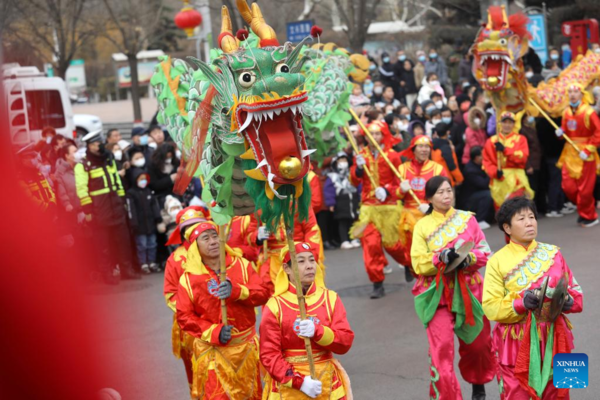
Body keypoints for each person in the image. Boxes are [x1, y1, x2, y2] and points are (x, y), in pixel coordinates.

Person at [482, 197, 583, 399]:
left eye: (532, 217)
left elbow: (575, 291)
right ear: (507, 228)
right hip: (516, 341)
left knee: (561, 394)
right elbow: (490, 307)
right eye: (521, 219)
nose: (530, 222)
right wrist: (520, 304)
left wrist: (570, 302)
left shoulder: (554, 253)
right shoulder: (496, 261)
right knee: (517, 394)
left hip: (557, 335)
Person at [411, 176, 496, 400]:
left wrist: (469, 259)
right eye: (440, 192)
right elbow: (418, 262)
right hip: (437, 294)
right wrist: (440, 258)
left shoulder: (468, 220)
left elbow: (484, 250)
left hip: (470, 290)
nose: (447, 195)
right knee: (441, 352)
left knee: (478, 345)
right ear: (429, 198)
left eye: (449, 191)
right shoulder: (421, 226)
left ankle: (479, 385)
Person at [176, 221, 269, 399]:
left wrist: (237, 291)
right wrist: (213, 332)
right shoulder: (189, 279)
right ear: (196, 245)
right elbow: (184, 317)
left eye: (215, 236)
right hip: (213, 352)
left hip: (245, 350)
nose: (212, 241)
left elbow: (263, 293)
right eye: (206, 238)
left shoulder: (242, 265)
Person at [260, 242, 354, 399]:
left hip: (327, 382)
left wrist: (319, 331)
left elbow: (345, 342)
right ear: (287, 269)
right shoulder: (275, 306)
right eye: (301, 261)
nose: (309, 266)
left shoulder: (330, 298)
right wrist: (299, 382)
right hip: (289, 387)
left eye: (311, 260)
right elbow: (269, 355)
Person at [74, 130, 140, 284]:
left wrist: (122, 199)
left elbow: (116, 181)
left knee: (123, 242)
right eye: (97, 144)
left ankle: (126, 270)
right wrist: (88, 211)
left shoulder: (108, 159)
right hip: (99, 210)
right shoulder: (83, 165)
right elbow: (81, 189)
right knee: (103, 245)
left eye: (100, 143)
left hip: (116, 207)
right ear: (89, 146)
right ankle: (107, 273)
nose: (100, 146)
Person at [349, 121, 406, 298]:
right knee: (371, 244)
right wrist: (357, 169)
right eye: (370, 134)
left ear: (383, 135)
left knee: (393, 245)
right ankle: (377, 282)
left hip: (388, 206)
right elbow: (354, 181)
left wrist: (387, 189)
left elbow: (400, 180)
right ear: (365, 136)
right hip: (368, 207)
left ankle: (408, 264)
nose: (374, 137)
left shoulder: (392, 155)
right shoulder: (361, 155)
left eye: (377, 134)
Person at [163, 206, 210, 392]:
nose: (194, 232)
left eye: (199, 226)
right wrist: (192, 312)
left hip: (218, 321)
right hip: (190, 326)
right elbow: (170, 294)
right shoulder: (175, 260)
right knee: (195, 372)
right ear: (182, 233)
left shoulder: (218, 253)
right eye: (189, 229)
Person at [396, 135, 447, 278]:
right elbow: (395, 196)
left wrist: (431, 207)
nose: (424, 150)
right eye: (420, 146)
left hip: (431, 215)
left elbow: (445, 194)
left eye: (427, 147)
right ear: (413, 149)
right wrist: (401, 190)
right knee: (411, 251)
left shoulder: (437, 169)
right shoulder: (402, 169)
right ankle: (414, 273)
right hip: (409, 216)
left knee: (432, 249)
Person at [248, 208, 323, 295]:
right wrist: (258, 236)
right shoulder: (260, 205)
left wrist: (309, 257)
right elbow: (249, 236)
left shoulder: (298, 200)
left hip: (298, 257)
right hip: (272, 263)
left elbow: (311, 230)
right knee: (274, 298)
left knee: (304, 294)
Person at [556, 83, 600, 227]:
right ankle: (584, 210)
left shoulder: (588, 112)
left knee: (585, 189)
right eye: (570, 92)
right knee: (568, 187)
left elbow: (598, 133)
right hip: (570, 153)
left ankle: (589, 215)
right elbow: (566, 131)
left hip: (585, 154)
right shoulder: (566, 112)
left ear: (582, 94)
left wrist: (588, 150)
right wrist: (561, 133)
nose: (573, 95)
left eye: (575, 92)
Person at [482, 112, 534, 210]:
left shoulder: (520, 139)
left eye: (510, 122)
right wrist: (495, 172)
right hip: (499, 179)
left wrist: (505, 150)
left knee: (518, 208)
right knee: (501, 210)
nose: (507, 125)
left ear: (514, 124)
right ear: (499, 123)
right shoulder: (492, 141)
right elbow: (486, 161)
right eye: (504, 122)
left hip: (517, 178)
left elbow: (522, 158)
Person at [126, 169, 162, 273]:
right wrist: (133, 223)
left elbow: (154, 205)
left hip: (150, 223)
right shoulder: (131, 193)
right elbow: (131, 210)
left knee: (152, 244)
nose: (143, 181)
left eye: (145, 179)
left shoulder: (148, 191)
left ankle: (151, 262)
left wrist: (157, 217)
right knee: (142, 245)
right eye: (141, 179)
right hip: (139, 225)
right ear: (135, 179)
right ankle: (143, 263)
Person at [324, 152, 360, 250]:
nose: (343, 162)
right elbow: (329, 190)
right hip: (341, 201)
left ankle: (353, 238)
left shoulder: (351, 174)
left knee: (353, 221)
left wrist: (361, 196)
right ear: (335, 162)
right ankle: (344, 240)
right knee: (343, 222)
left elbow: (359, 185)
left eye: (344, 160)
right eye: (340, 160)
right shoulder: (332, 176)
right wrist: (331, 203)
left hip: (353, 200)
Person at [461, 146, 493, 229]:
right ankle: (479, 220)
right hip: (469, 199)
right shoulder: (470, 170)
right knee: (488, 194)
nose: (484, 157)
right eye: (482, 155)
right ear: (476, 158)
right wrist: (489, 172)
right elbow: (483, 184)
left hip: (477, 194)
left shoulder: (479, 165)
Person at [55, 142, 81, 227]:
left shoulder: (81, 167)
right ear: (67, 155)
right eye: (75, 152)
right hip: (72, 211)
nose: (78, 154)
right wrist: (67, 204)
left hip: (85, 208)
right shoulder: (60, 172)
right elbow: (61, 191)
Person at [148, 142, 180, 207]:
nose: (168, 159)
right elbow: (154, 185)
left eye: (170, 157)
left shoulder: (176, 163)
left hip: (176, 195)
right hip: (161, 197)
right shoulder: (153, 166)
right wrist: (170, 179)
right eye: (167, 157)